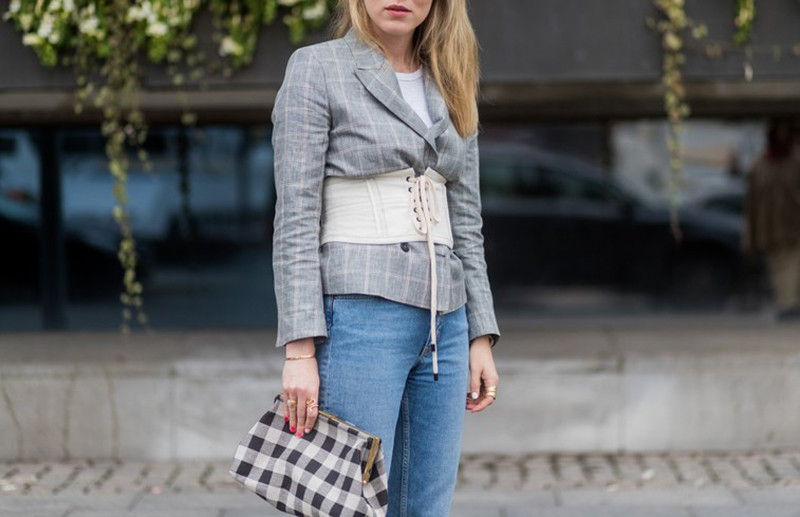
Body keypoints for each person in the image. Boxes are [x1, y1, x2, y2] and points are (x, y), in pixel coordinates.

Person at [270, 0, 502, 515]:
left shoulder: (452, 79)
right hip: (360, 316)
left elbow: (466, 219)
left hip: (446, 325)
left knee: (426, 507)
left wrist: (479, 333)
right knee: (348, 503)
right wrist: (299, 350)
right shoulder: (317, 68)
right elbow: (296, 218)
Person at [742, 118, 800, 321]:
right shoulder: (760, 166)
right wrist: (750, 238)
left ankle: (790, 303)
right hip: (772, 230)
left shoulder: (795, 162)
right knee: (780, 268)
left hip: (794, 228)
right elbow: (752, 205)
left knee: (792, 267)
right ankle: (787, 304)